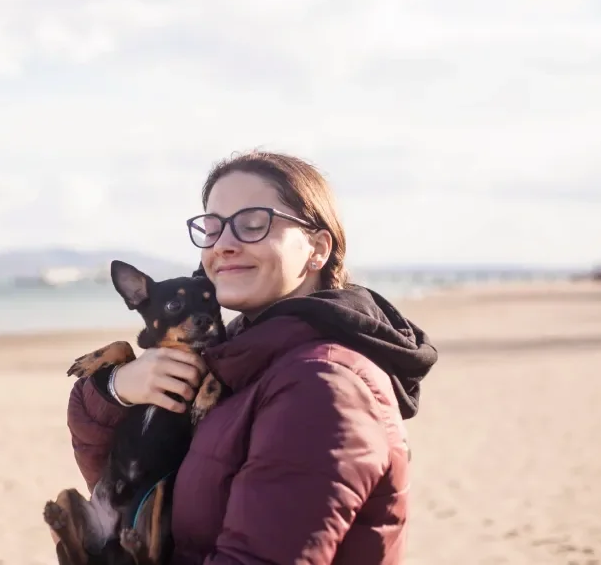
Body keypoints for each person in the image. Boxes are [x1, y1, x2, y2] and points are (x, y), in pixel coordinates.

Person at [66, 151, 439, 564]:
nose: (224, 244)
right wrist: (120, 387)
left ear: (317, 249)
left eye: (252, 224)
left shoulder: (322, 386)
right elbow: (115, 479)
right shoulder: (242, 356)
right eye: (212, 228)